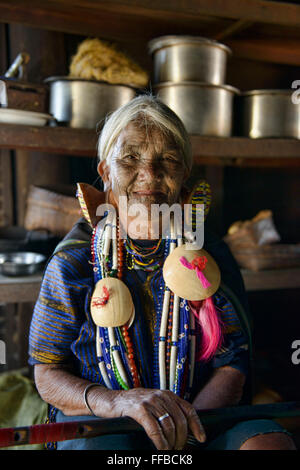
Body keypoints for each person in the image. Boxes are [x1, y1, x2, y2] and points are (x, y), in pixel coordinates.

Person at [29, 95, 295, 450]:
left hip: (201, 420)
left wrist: (182, 431)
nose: (149, 174)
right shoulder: (74, 262)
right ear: (106, 171)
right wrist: (115, 402)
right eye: (130, 158)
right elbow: (46, 371)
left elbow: (234, 362)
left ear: (183, 174)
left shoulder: (210, 255)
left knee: (268, 445)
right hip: (104, 424)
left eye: (167, 159)